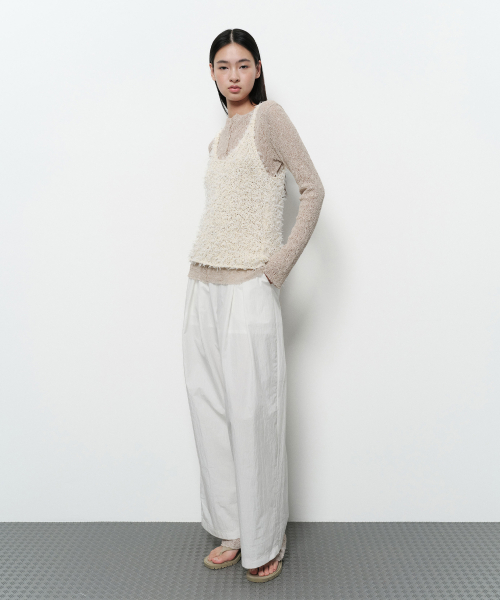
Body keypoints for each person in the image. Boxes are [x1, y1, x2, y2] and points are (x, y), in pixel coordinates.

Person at [182, 28, 325, 583]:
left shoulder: (270, 119)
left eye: (243, 64)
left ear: (258, 69)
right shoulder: (218, 138)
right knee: (211, 410)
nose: (234, 75)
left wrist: (279, 264)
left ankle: (265, 540)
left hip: (250, 286)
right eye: (223, 66)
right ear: (212, 74)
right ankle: (233, 529)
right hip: (202, 282)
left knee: (252, 412)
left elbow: (312, 188)